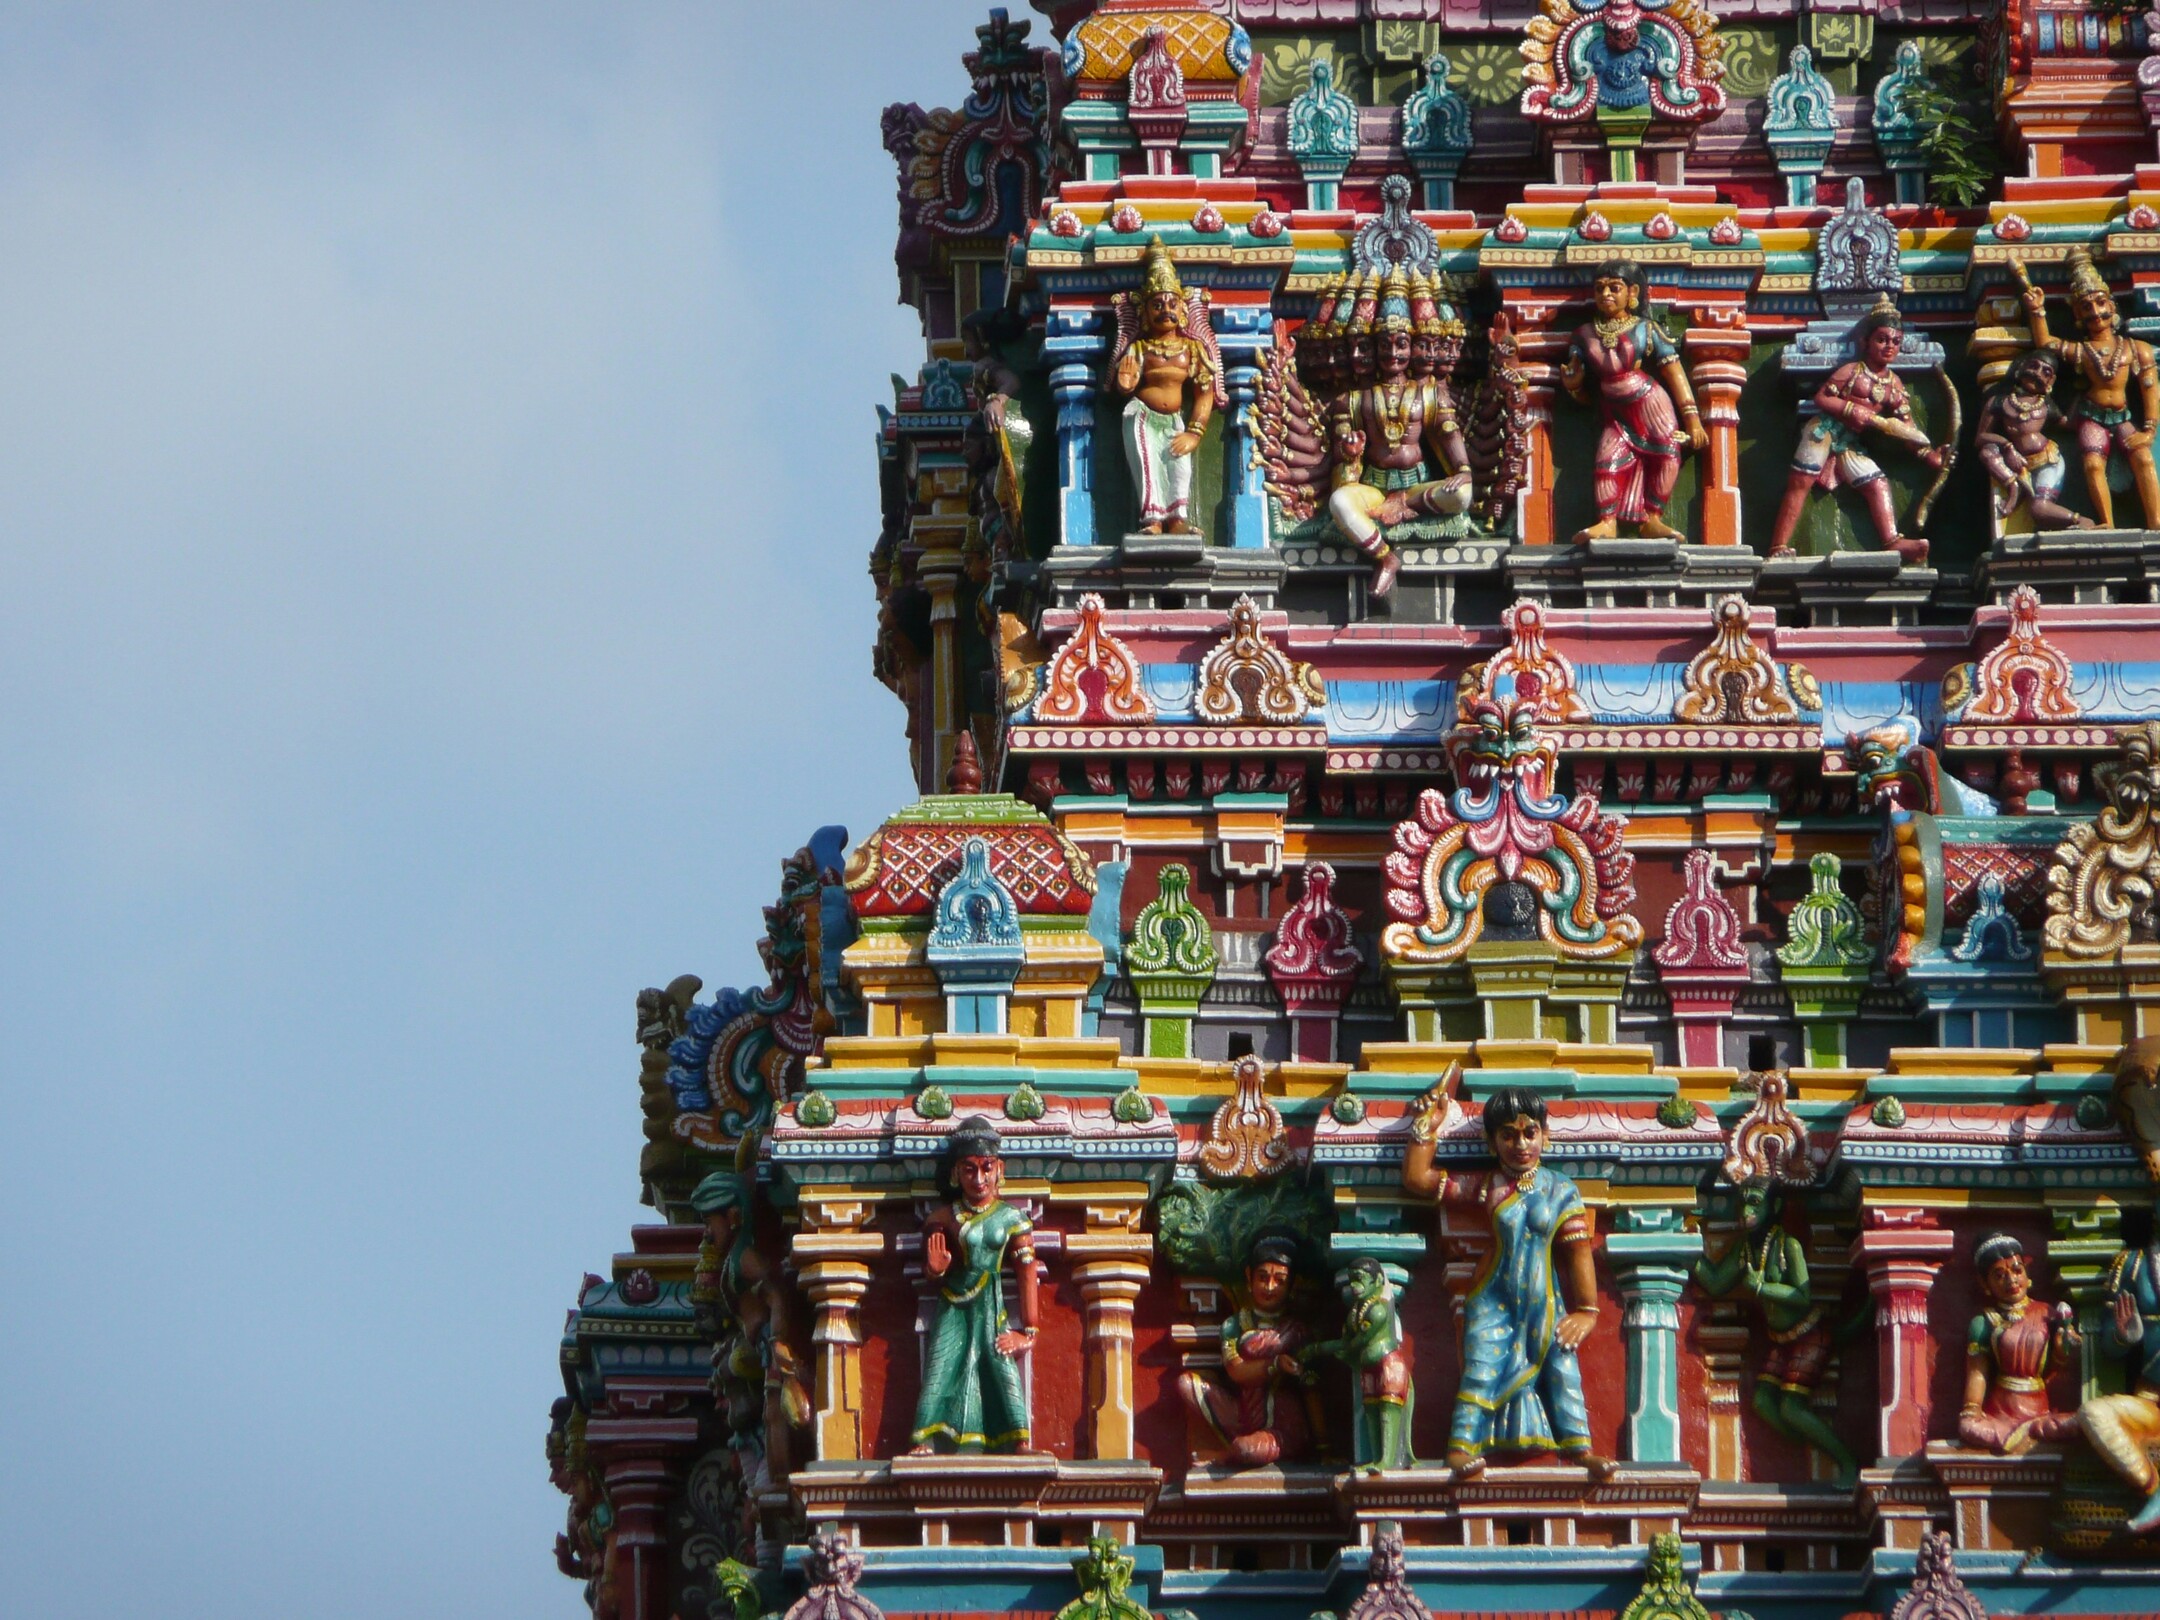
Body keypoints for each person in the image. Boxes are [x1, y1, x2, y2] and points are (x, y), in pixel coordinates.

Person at [1400, 1071, 1616, 1479]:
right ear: (1491, 1142)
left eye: (1529, 1133)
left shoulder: (1560, 1190)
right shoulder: (1488, 1186)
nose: (1521, 1145)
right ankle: (1461, 1448)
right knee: (1481, 1366)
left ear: (1545, 1136)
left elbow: (1577, 1252)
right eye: (1508, 1135)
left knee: (1561, 1364)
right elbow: (1417, 1179)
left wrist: (1587, 1310)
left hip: (1544, 1297)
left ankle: (1581, 1450)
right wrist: (1425, 1127)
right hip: (1492, 1295)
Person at [1693, 1179, 1858, 1486]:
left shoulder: (1787, 1245)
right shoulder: (1745, 1248)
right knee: (1763, 1403)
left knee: (1790, 1407)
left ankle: (1847, 1463)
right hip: (1780, 1339)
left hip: (1809, 1334)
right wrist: (1689, 1246)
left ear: (1775, 1206)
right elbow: (1716, 1283)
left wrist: (1762, 1287)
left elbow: (1803, 1294)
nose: (1746, 1210)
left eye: (1755, 1202)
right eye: (1743, 1202)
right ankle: (1812, 1447)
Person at [1325, 266, 1474, 598]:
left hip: (1416, 488)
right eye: (1385, 345)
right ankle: (1385, 556)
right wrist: (1351, 456)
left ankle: (1409, 506)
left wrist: (1462, 471)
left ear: (1413, 348)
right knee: (1339, 502)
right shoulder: (1355, 399)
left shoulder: (1431, 394)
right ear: (1374, 350)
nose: (1393, 353)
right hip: (1374, 488)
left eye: (1402, 344)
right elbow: (1341, 475)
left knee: (1463, 495)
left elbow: (1450, 438)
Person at [1765, 299, 1945, 564]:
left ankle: (1892, 541)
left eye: (1895, 341)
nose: (1889, 347)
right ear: (1865, 342)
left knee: (1877, 483)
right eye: (1882, 340)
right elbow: (1822, 398)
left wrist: (1929, 455)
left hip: (1849, 442)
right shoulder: (1851, 372)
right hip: (1823, 431)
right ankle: (1778, 545)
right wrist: (1854, 411)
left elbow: (1906, 429)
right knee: (1801, 481)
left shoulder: (1893, 385)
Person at [907, 1117, 1039, 1454]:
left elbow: (1027, 1271)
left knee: (1000, 1361)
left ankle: (1019, 1438)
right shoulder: (943, 1218)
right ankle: (924, 1438)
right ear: (955, 1174)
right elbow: (934, 1262)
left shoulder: (1011, 1219)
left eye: (986, 1168)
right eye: (968, 1170)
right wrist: (934, 1271)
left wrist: (1030, 1331)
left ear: (999, 1169)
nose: (978, 1179)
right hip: (953, 1301)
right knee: (942, 1363)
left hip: (991, 1303)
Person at [1560, 258, 1707, 543]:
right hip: (1614, 409)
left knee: (1667, 453)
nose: (1606, 295)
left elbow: (1675, 372)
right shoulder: (1583, 335)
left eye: (1615, 288)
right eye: (1600, 288)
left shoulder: (1646, 329)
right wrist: (1573, 387)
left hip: (1651, 402)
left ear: (1634, 293)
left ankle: (1652, 518)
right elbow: (1583, 394)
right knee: (1606, 461)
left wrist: (1694, 421)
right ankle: (1607, 522)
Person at [2017, 247, 2160, 529]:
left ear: (2112, 305)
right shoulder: (2083, 351)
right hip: (2092, 415)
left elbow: (2150, 390)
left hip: (2123, 416)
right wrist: (2037, 310)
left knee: (2143, 458)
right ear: (2078, 314)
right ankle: (2107, 522)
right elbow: (2046, 343)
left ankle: (2156, 522)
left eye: (2100, 303)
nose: (2096, 312)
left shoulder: (2136, 349)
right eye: (2086, 307)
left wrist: (2149, 430)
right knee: (2093, 465)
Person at [1180, 1235, 1315, 1467]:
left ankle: (1225, 1455)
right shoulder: (1234, 1325)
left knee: (1246, 1450)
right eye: (1262, 1278)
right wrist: (1274, 1365)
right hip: (1242, 1412)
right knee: (1186, 1384)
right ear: (1248, 1277)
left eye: (1280, 1280)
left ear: (1291, 1285)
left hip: (1281, 1424)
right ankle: (1233, 1443)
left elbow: (1312, 1384)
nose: (1270, 1287)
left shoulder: (1295, 1330)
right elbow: (1236, 1371)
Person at [1112, 236, 1217, 535]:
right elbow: (1126, 383)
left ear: (1183, 310)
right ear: (1144, 313)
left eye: (1172, 304)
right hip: (1142, 415)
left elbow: (1204, 394)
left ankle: (1177, 519)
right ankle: (1153, 521)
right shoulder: (1140, 348)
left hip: (1174, 419)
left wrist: (1195, 432)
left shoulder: (1192, 350)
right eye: (1156, 305)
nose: (1165, 310)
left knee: (1179, 467)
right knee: (1147, 466)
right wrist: (1125, 383)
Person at [1957, 1232, 2080, 1455]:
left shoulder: (2047, 1313)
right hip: (2001, 1413)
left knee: (2081, 1422)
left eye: (2016, 1270)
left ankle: (2032, 1431)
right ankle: (2020, 1435)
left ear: (2026, 1272)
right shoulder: (1984, 1322)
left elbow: (2054, 1370)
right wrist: (1972, 1410)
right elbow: (1978, 1373)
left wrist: (2062, 1351)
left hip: (2040, 1409)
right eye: (1999, 1275)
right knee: (1970, 1428)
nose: (2011, 1280)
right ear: (1985, 1284)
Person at [2080, 1228, 2160, 1531]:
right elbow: (2109, 1348)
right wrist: (2123, 1337)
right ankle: (2152, 1489)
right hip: (2152, 1399)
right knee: (2093, 1413)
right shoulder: (2135, 1264)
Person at [1976, 350, 2094, 533]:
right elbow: (1981, 437)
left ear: (2050, 382)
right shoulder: (1998, 402)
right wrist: (2007, 446)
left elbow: (2067, 423)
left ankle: (2080, 521)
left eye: (2046, 372)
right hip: (2018, 463)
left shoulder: (2045, 404)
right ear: (2021, 367)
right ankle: (2013, 487)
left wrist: (2081, 394)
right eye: (2033, 366)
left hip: (2048, 460)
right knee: (1986, 451)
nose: (2037, 373)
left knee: (2039, 510)